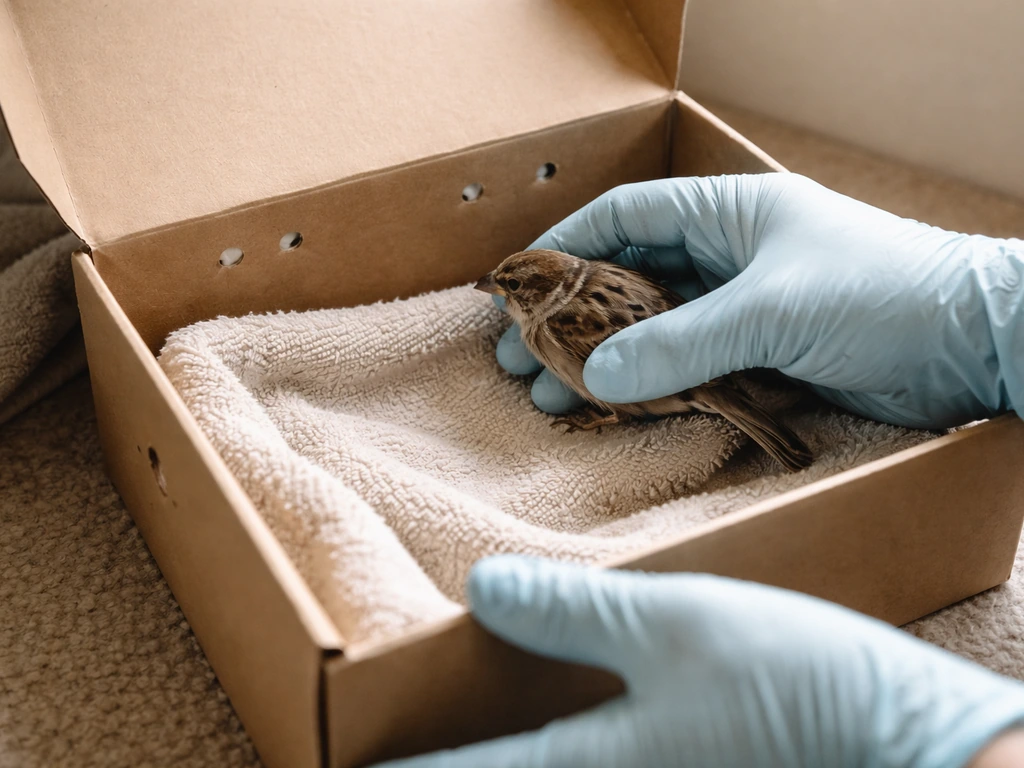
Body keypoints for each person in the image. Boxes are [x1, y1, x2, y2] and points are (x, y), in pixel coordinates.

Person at [374, 173, 1024, 767]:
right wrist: (994, 319)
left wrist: (613, 407)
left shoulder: (566, 321)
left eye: (512, 288)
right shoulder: (586, 284)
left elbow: (641, 359)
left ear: (543, 292)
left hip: (680, 385)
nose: (500, 294)